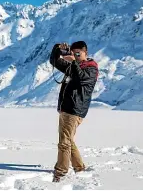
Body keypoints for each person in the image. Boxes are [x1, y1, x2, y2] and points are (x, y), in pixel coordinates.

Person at [49, 41, 99, 182]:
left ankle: (61, 171)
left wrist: (73, 62)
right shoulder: (74, 66)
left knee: (64, 142)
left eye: (78, 53)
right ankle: (79, 168)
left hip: (75, 110)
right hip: (66, 108)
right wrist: (58, 48)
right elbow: (54, 61)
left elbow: (81, 79)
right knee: (69, 140)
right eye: (73, 53)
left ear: (86, 53)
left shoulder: (91, 69)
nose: (75, 56)